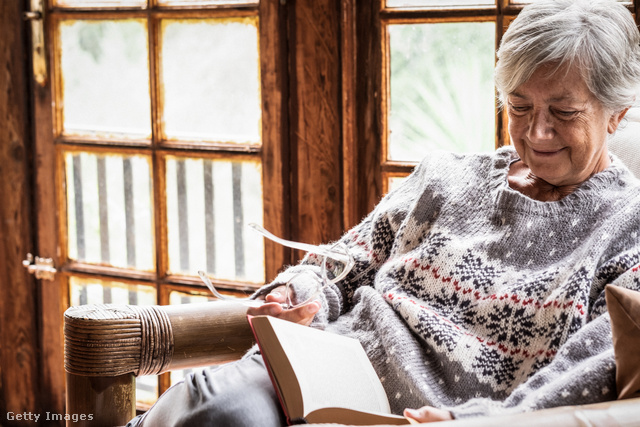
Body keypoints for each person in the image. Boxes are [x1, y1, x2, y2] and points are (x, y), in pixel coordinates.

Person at [129, 0, 640, 425]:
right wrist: (295, 293)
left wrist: (483, 422)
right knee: (215, 405)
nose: (536, 133)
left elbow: (591, 370)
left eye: (564, 113)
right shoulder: (447, 177)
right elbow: (342, 264)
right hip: (324, 379)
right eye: (520, 107)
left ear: (618, 111)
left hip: (439, 420)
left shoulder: (628, 229)